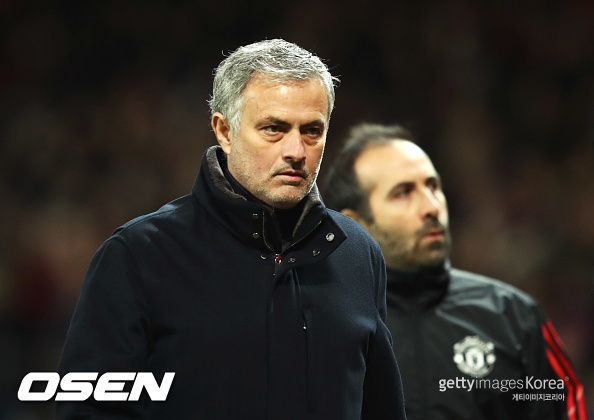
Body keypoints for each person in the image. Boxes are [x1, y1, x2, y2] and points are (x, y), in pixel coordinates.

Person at [55, 41, 406, 419]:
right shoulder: (139, 256)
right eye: (274, 128)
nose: (296, 151)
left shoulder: (357, 254)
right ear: (224, 131)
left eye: (312, 130)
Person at [324, 123, 587, 420]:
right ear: (357, 223)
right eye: (404, 193)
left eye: (433, 186)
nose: (432, 206)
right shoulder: (326, 328)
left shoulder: (515, 318)